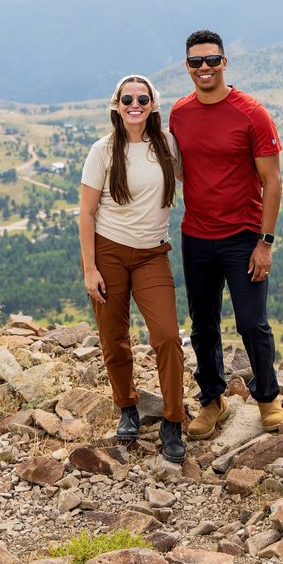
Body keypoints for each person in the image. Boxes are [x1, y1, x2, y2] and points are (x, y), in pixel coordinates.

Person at [169, 29, 283, 439]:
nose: (204, 68)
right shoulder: (179, 113)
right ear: (187, 66)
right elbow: (181, 168)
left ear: (224, 62)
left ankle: (268, 397)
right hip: (196, 236)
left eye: (212, 60)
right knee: (203, 324)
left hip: (243, 237)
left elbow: (272, 181)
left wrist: (264, 243)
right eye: (196, 62)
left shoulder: (251, 113)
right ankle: (212, 400)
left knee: (253, 323)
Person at [79, 74, 186, 463]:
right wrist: (90, 269)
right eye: (127, 99)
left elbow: (196, 180)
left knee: (167, 336)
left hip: (152, 254)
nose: (134, 104)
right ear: (117, 104)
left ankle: (173, 420)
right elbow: (87, 213)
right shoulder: (103, 151)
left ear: (153, 104)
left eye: (142, 98)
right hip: (108, 252)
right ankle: (127, 406)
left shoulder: (166, 145)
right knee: (114, 336)